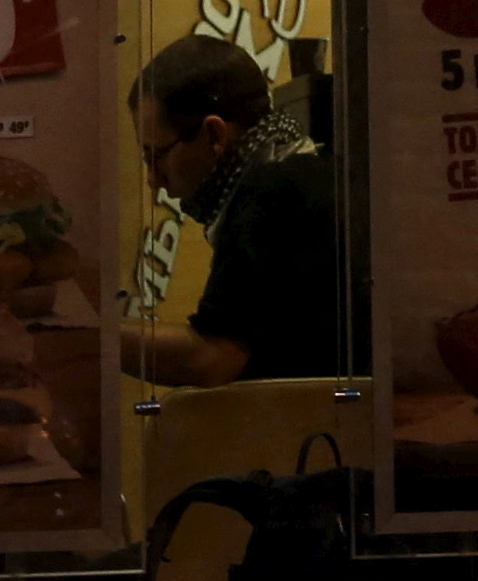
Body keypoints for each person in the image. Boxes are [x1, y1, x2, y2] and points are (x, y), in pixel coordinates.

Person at [119, 34, 340, 386]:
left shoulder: (272, 193)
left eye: (155, 155)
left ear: (214, 135)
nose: (153, 180)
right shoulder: (302, 170)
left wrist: (90, 336)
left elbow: (214, 359)